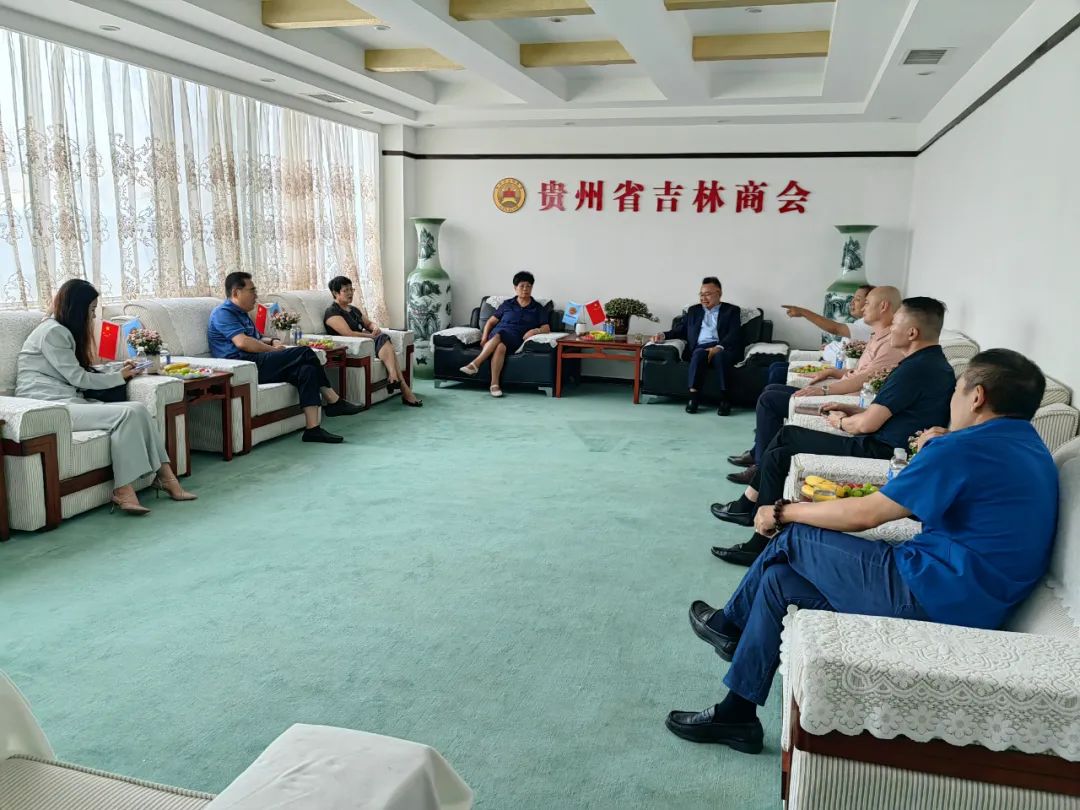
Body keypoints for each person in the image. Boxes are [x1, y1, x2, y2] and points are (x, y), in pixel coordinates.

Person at [665, 349, 1058, 752]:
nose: (951, 402)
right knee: (779, 581)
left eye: (957, 391)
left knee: (793, 536)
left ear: (977, 397)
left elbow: (867, 515)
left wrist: (782, 510)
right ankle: (737, 715)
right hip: (970, 599)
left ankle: (729, 625)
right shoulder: (1030, 447)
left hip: (932, 593)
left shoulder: (963, 449)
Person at [711, 297, 956, 566]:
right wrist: (852, 409)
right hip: (883, 440)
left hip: (882, 451)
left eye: (896, 323)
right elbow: (897, 411)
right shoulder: (929, 363)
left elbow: (865, 426)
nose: (890, 329)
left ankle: (757, 533)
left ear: (912, 333)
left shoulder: (916, 369)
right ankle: (753, 517)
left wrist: (839, 422)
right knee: (784, 443)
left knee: (786, 442)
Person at [16, 279, 196, 516]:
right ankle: (131, 487)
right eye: (91, 310)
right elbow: (79, 379)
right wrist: (120, 376)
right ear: (77, 308)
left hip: (65, 401)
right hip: (49, 407)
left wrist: (121, 368)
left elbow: (79, 372)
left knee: (138, 410)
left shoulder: (57, 329)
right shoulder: (53, 332)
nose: (93, 317)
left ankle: (163, 478)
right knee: (128, 413)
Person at [726, 287, 905, 486]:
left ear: (883, 306)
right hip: (842, 390)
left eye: (867, 302)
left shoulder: (889, 343)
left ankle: (760, 466)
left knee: (769, 400)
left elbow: (863, 379)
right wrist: (831, 373)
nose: (862, 307)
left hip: (848, 400)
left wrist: (824, 390)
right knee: (771, 390)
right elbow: (859, 372)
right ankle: (759, 454)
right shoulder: (876, 336)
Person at [207, 272, 362, 444]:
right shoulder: (223, 313)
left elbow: (257, 338)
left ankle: (313, 430)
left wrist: (272, 340)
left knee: (307, 370)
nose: (256, 295)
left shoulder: (242, 313)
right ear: (236, 292)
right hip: (245, 365)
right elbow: (243, 342)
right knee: (305, 352)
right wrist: (273, 350)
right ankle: (333, 400)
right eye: (252, 291)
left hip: (258, 360)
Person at [323, 276, 422, 408]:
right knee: (383, 339)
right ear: (335, 293)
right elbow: (348, 333)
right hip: (352, 347)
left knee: (383, 338)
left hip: (367, 344)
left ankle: (394, 378)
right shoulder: (332, 312)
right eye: (346, 290)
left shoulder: (353, 310)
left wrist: (375, 327)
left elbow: (369, 323)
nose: (350, 293)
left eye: (351, 289)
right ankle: (403, 387)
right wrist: (370, 336)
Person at [651, 277, 743, 416]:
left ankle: (725, 399)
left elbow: (734, 333)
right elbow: (681, 330)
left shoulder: (731, 310)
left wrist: (719, 347)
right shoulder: (694, 310)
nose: (703, 298)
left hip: (722, 347)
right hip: (701, 347)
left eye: (708, 294)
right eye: (701, 294)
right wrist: (663, 335)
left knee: (720, 357)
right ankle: (693, 398)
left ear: (719, 293)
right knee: (699, 354)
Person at [460, 271, 550, 398]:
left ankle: (475, 364)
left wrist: (534, 331)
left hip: (516, 338)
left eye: (528, 286)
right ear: (515, 288)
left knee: (500, 337)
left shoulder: (538, 308)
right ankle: (494, 384)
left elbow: (546, 327)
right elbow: (490, 322)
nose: (525, 289)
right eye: (522, 286)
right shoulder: (507, 304)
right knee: (500, 345)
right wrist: (484, 337)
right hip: (497, 335)